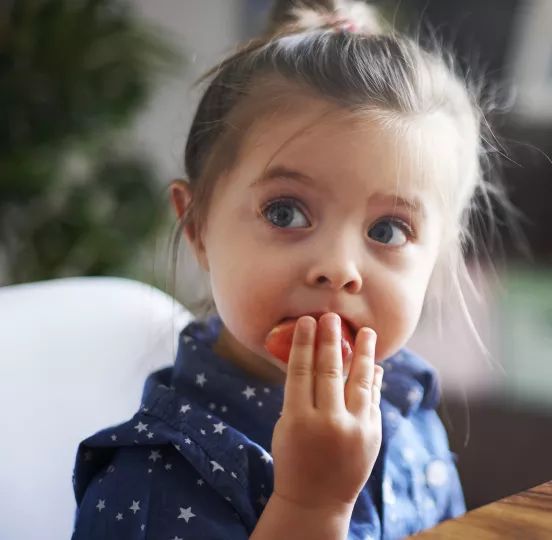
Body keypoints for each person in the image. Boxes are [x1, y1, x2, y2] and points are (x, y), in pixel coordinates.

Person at [71, 0, 506, 537]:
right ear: (198, 227)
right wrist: (310, 506)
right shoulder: (152, 484)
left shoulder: (408, 407)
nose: (338, 268)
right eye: (286, 213)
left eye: (388, 230)